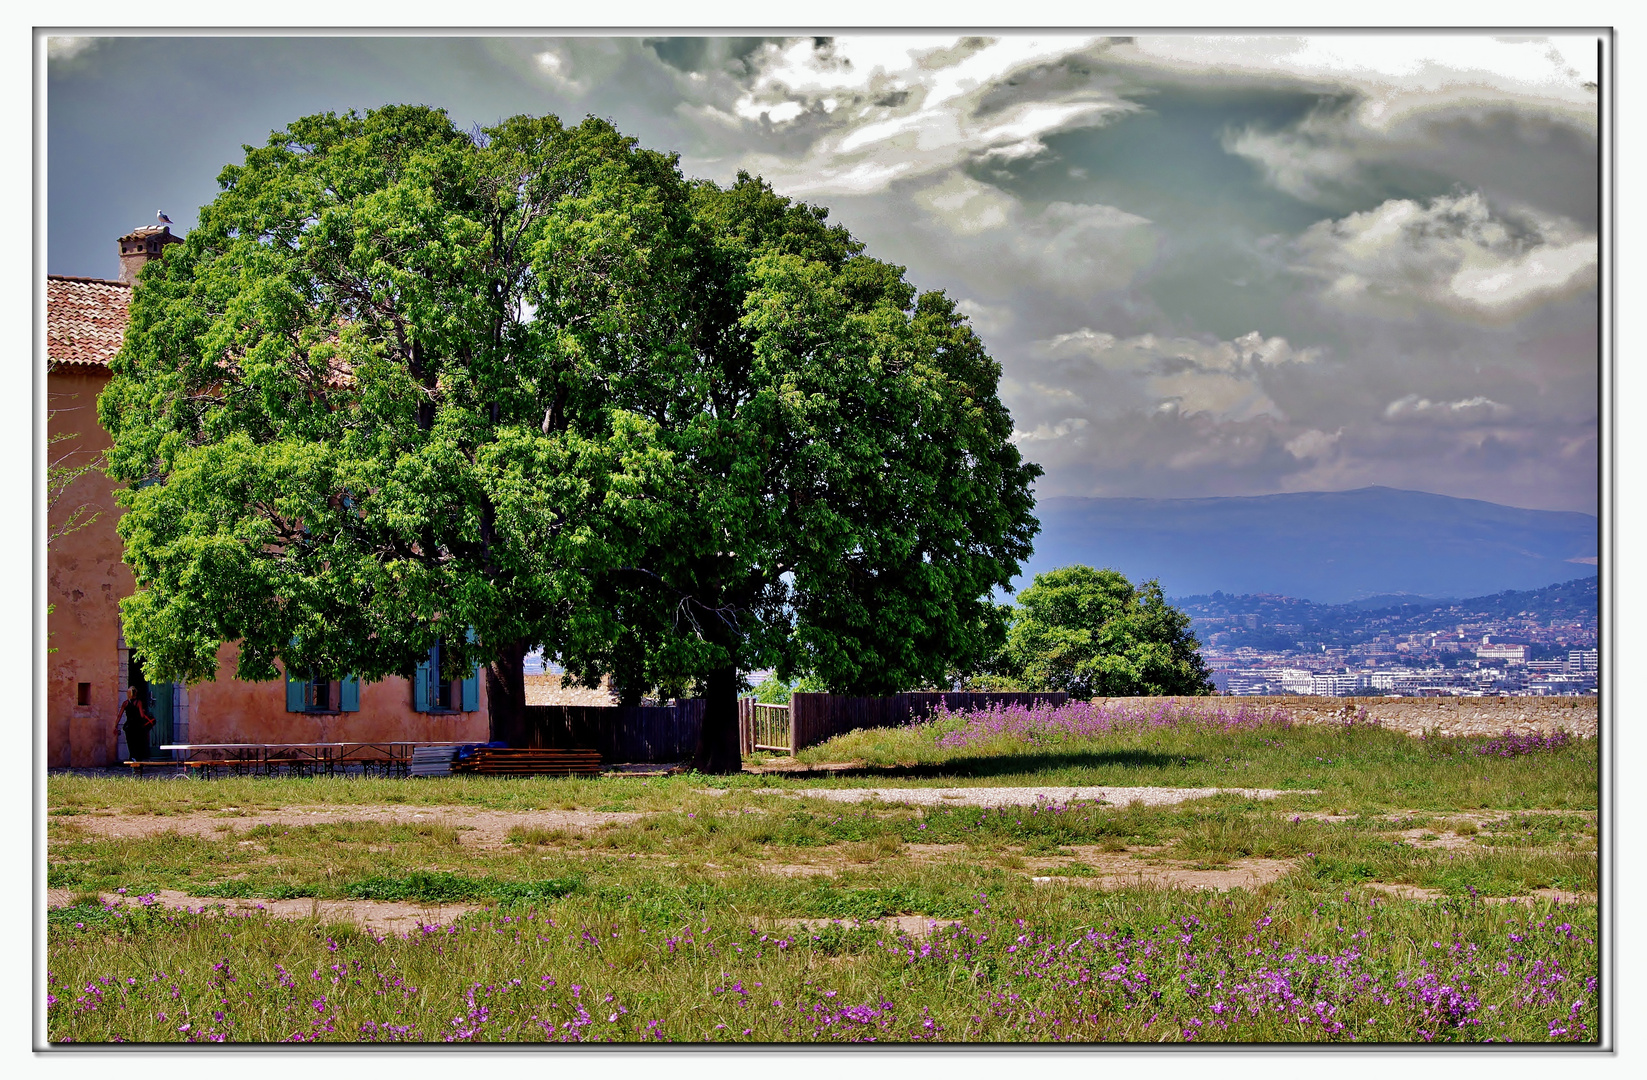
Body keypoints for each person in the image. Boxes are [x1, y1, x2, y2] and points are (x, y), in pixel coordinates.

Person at [117, 685, 154, 762]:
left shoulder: (125, 703)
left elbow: (119, 715)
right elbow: (141, 715)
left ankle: (132, 757)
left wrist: (115, 725)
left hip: (129, 725)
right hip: (137, 725)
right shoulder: (138, 702)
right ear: (135, 693)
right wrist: (144, 713)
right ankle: (137, 758)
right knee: (138, 742)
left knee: (130, 743)